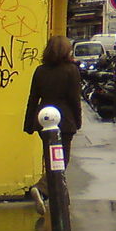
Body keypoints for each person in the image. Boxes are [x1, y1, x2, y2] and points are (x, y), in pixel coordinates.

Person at [22, 34, 83, 216]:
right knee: (60, 161)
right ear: (66, 51)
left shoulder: (40, 70)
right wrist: (77, 121)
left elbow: (33, 99)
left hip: (43, 119)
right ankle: (41, 189)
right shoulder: (71, 71)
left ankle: (62, 199)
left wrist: (29, 124)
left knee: (50, 158)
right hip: (64, 121)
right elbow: (74, 99)